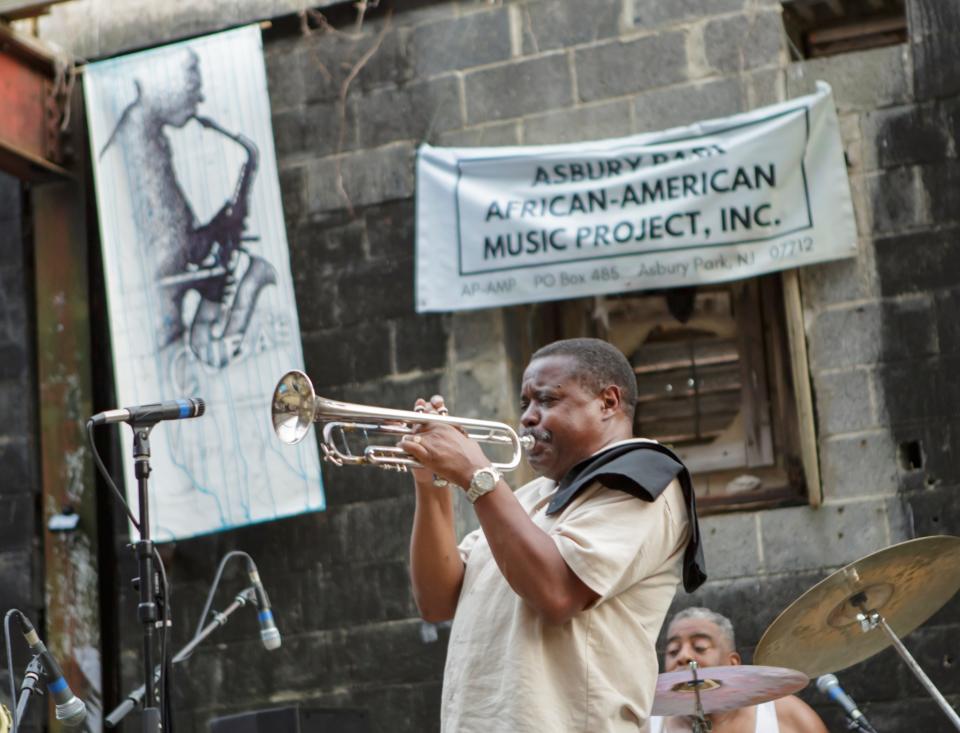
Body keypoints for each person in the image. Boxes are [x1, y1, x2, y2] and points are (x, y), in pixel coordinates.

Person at [402, 337, 706, 732]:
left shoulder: (644, 478)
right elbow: (438, 601)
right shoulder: (526, 497)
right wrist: (432, 485)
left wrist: (477, 475)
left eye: (546, 401)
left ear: (608, 402)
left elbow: (557, 593)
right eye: (525, 403)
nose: (528, 417)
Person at [651, 607, 829, 733]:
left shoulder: (786, 716)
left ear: (733, 662)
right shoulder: (645, 725)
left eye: (700, 647)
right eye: (673, 651)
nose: (683, 656)